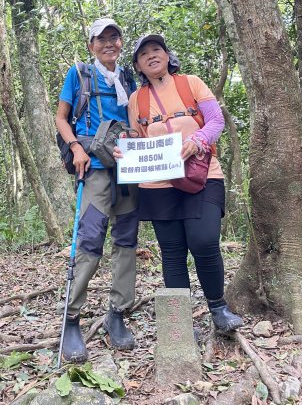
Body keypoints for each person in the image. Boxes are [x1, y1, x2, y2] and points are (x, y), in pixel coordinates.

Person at [123, 33, 243, 332]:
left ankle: (218, 307)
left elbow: (216, 121)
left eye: (157, 49)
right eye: (144, 54)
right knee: (173, 250)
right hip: (159, 184)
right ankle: (180, 319)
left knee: (204, 240)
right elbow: (138, 136)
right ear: (137, 64)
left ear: (166, 55)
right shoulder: (137, 99)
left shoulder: (191, 83)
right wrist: (126, 143)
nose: (151, 55)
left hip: (201, 175)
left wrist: (199, 139)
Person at [55, 18, 139, 362]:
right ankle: (71, 319)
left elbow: (137, 118)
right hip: (94, 168)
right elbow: (61, 117)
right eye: (101, 39)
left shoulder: (128, 78)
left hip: (128, 169)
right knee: (89, 240)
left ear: (120, 43)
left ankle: (117, 313)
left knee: (127, 241)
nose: (109, 43)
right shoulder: (79, 73)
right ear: (91, 45)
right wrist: (75, 147)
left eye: (114, 37)